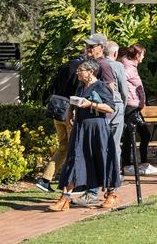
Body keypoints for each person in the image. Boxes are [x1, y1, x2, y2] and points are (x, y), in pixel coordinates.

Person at [48, 59, 116, 211]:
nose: (77, 73)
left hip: (97, 129)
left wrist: (91, 104)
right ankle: (64, 198)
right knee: (74, 160)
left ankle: (111, 194)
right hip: (81, 128)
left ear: (90, 72)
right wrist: (70, 112)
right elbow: (74, 101)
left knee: (102, 159)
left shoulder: (101, 87)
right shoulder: (80, 86)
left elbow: (111, 109)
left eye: (81, 70)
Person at [34, 43, 87, 192]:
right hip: (69, 111)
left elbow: (53, 86)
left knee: (63, 147)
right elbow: (78, 90)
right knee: (75, 148)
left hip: (57, 109)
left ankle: (45, 179)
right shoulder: (82, 70)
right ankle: (72, 183)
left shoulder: (64, 66)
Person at [118, 44, 157, 175]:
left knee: (143, 134)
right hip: (130, 105)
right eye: (143, 54)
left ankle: (142, 162)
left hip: (135, 106)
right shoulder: (128, 67)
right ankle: (127, 164)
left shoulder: (132, 67)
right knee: (131, 135)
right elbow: (120, 82)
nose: (144, 57)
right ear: (137, 55)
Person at [101, 41, 130, 200]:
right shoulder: (117, 66)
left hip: (101, 107)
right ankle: (114, 180)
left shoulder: (99, 64)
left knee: (103, 144)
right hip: (116, 105)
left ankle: (103, 180)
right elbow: (124, 89)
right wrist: (123, 106)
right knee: (114, 144)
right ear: (115, 53)